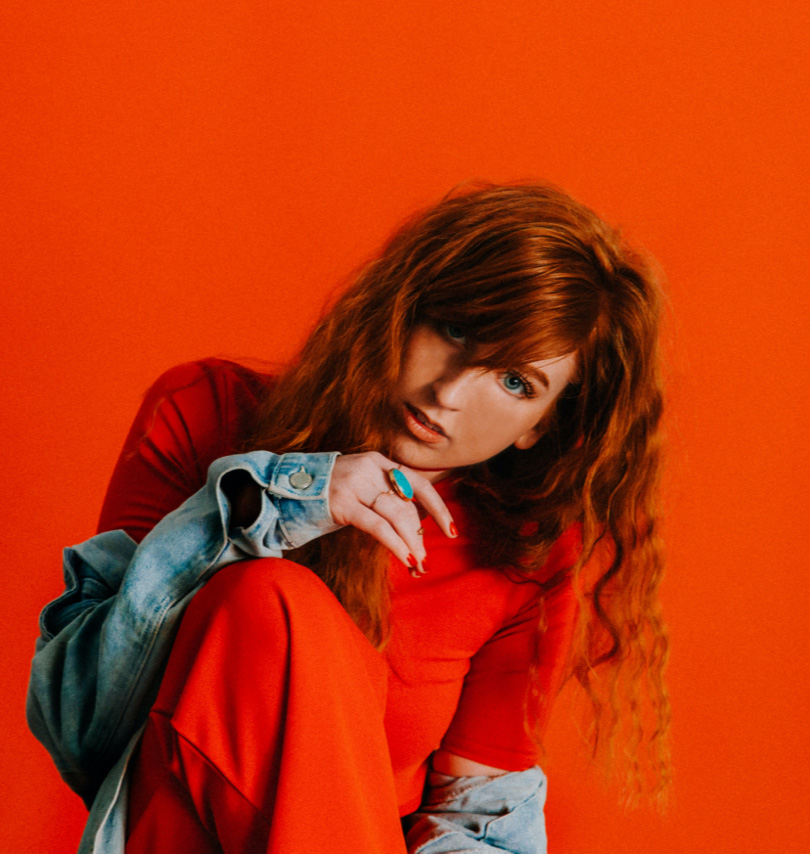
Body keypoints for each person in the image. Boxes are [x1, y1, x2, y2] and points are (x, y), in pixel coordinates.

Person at [27, 183, 670, 853]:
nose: (449, 392)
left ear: (540, 426)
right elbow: (84, 728)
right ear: (402, 308)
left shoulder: (526, 552)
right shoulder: (203, 413)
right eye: (454, 329)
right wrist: (281, 499)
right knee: (267, 601)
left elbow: (475, 824)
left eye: (514, 382)